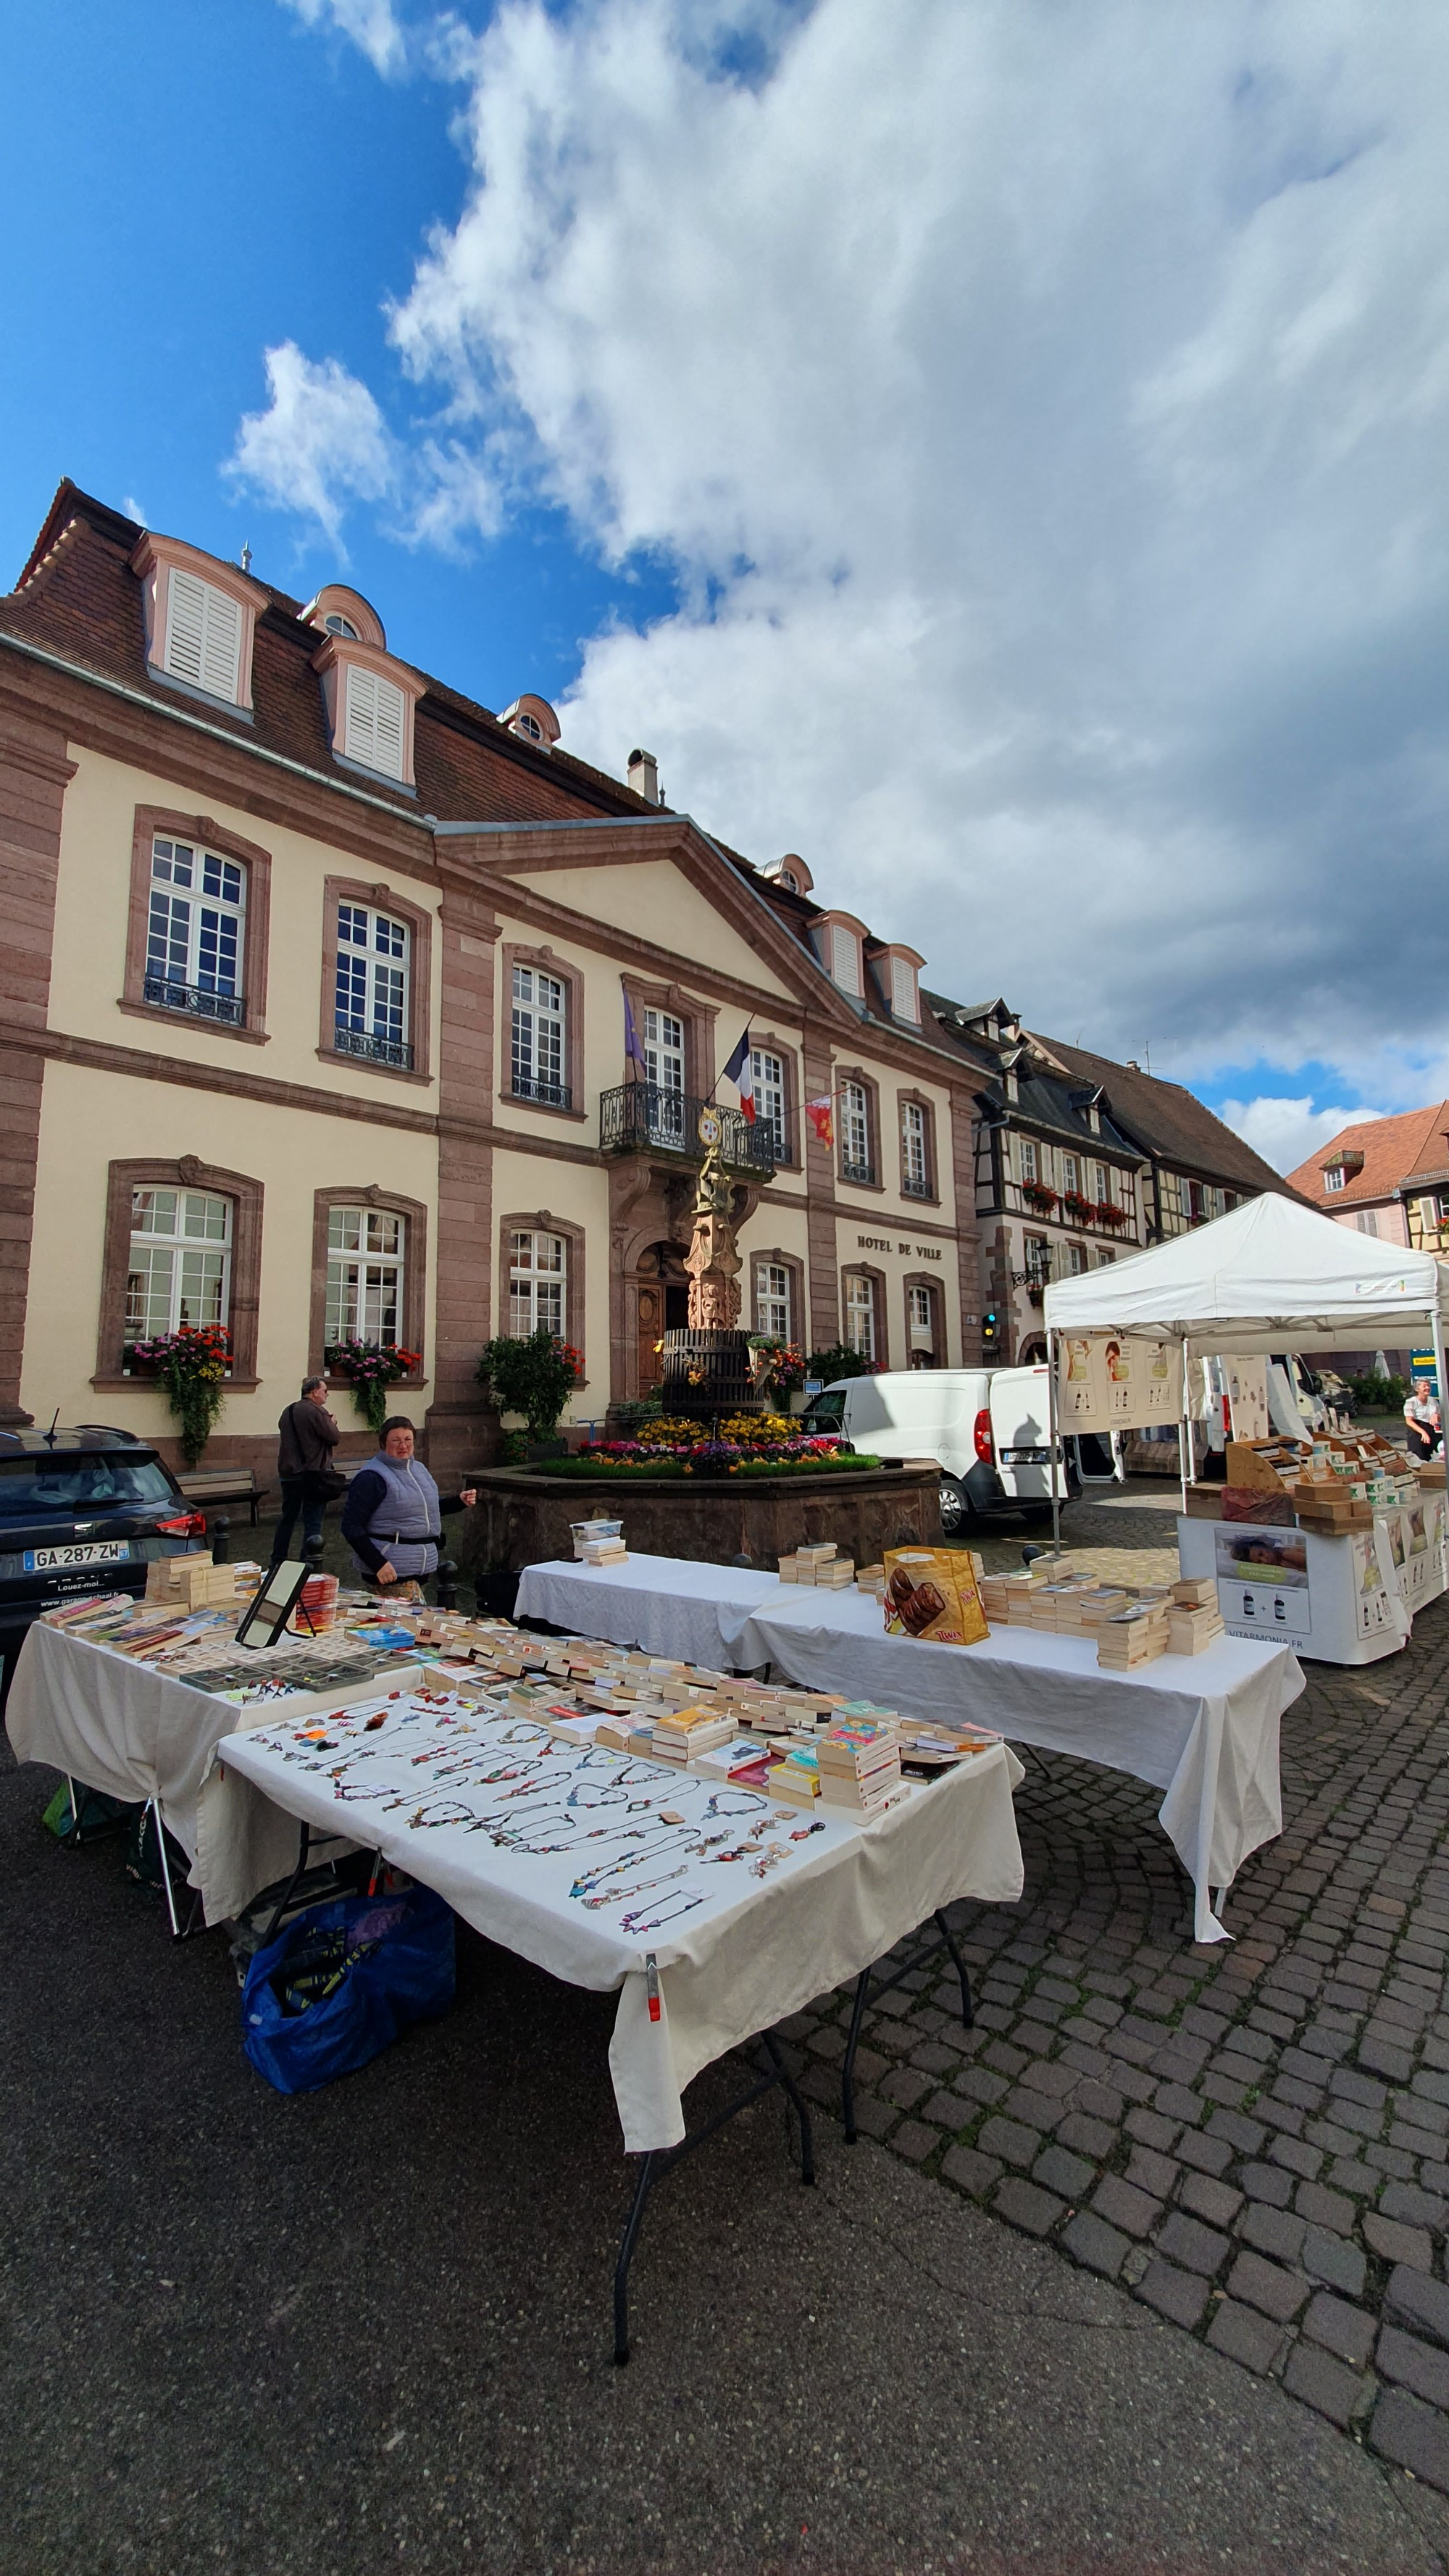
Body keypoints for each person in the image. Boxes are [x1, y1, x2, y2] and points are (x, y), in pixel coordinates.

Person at [340, 1416, 477, 1592]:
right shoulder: (372, 1477)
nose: (403, 1446)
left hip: (420, 1569)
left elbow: (426, 1510)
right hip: (389, 1571)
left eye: (408, 1440)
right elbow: (351, 1525)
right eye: (395, 1440)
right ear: (383, 1443)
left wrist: (459, 1502)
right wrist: (378, 1563)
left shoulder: (418, 1469)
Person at [270, 1376, 343, 1567]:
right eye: (325, 1390)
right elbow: (334, 1437)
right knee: (313, 1521)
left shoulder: (288, 1410)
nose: (327, 1394)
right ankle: (308, 1561)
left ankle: (278, 1558)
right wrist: (332, 1423)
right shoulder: (317, 1412)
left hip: (289, 1473)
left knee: (288, 1518)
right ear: (314, 1392)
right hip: (313, 1474)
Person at [1403, 1378, 1442, 1465]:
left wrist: (1437, 1416)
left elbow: (1440, 1417)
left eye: (1429, 1386)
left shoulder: (1433, 1400)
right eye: (1424, 1386)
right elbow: (1409, 1421)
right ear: (1417, 1389)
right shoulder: (1411, 1402)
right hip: (1417, 1430)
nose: (1428, 1388)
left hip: (1432, 1430)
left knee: (1437, 1454)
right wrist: (1423, 1433)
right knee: (1419, 1457)